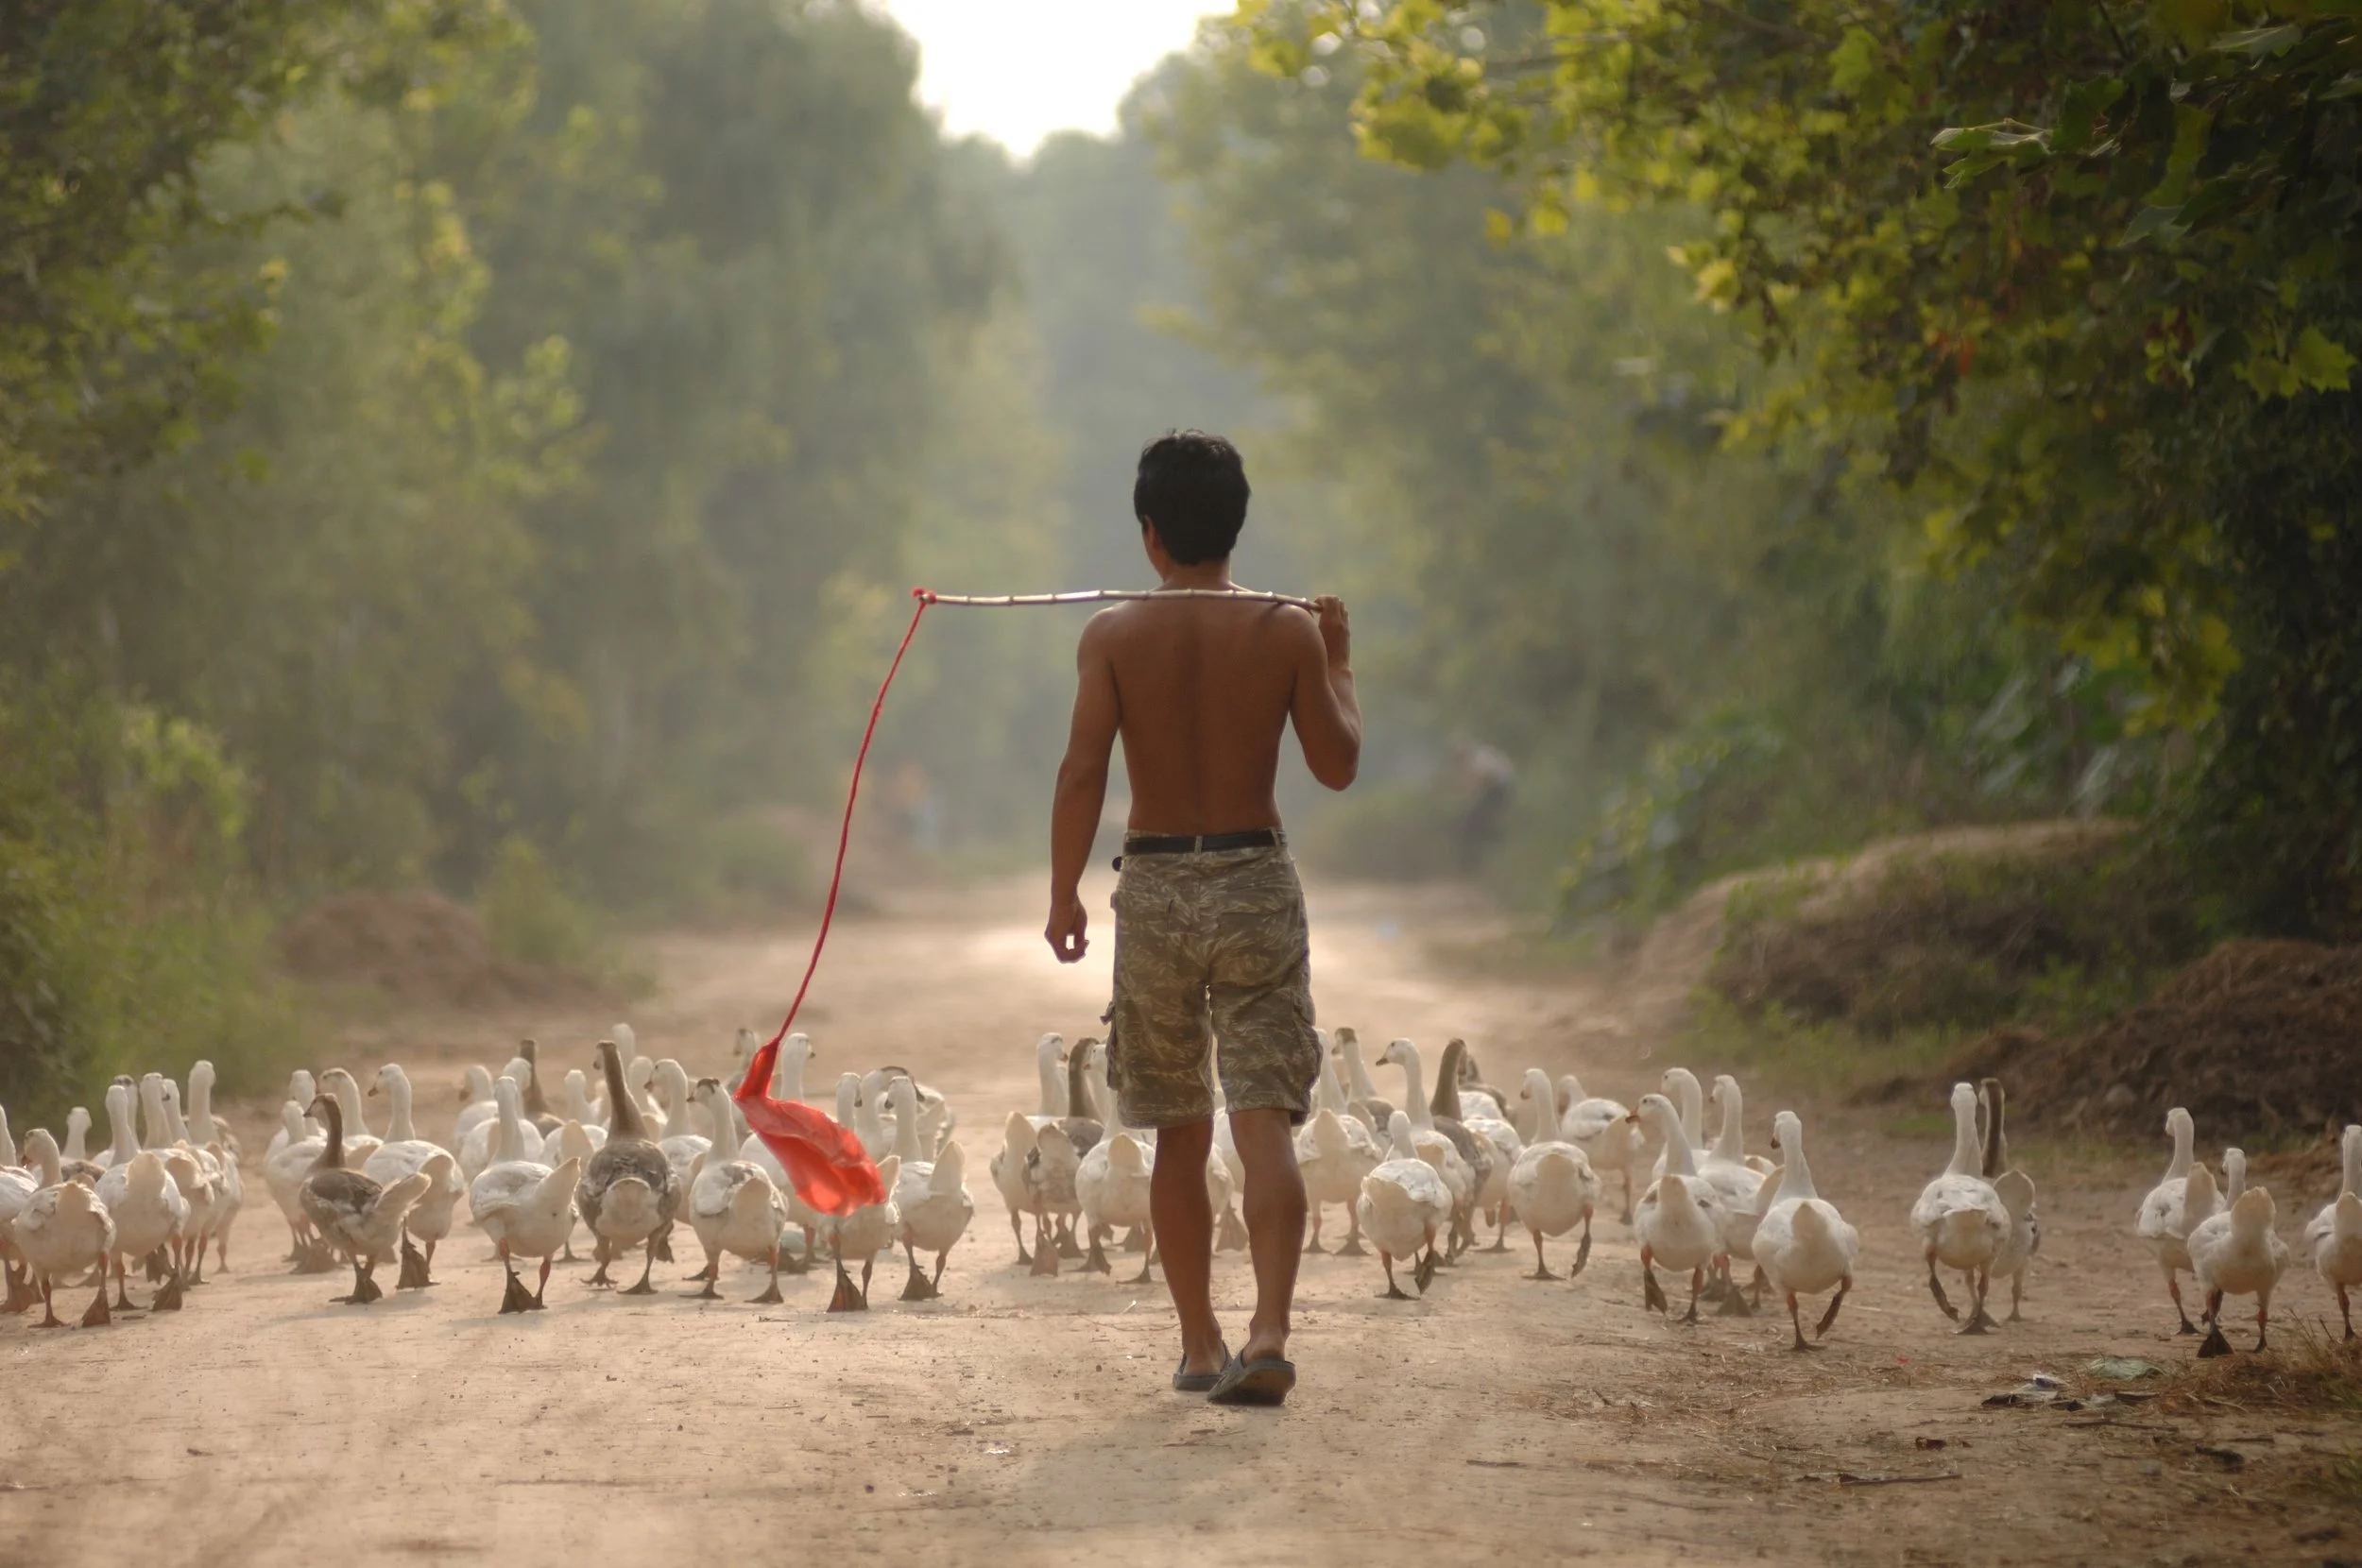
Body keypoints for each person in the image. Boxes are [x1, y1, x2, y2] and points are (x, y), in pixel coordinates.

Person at [1044, 431, 1361, 1407]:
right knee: (1261, 1118)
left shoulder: (1110, 638)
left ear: (1149, 535)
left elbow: (1084, 770)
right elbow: (1336, 764)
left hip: (1155, 888)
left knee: (1178, 1128)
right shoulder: (1285, 631)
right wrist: (1339, 661)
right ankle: (1268, 1330)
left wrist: (1062, 893)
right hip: (1254, 879)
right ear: (1237, 526)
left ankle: (1196, 1341)